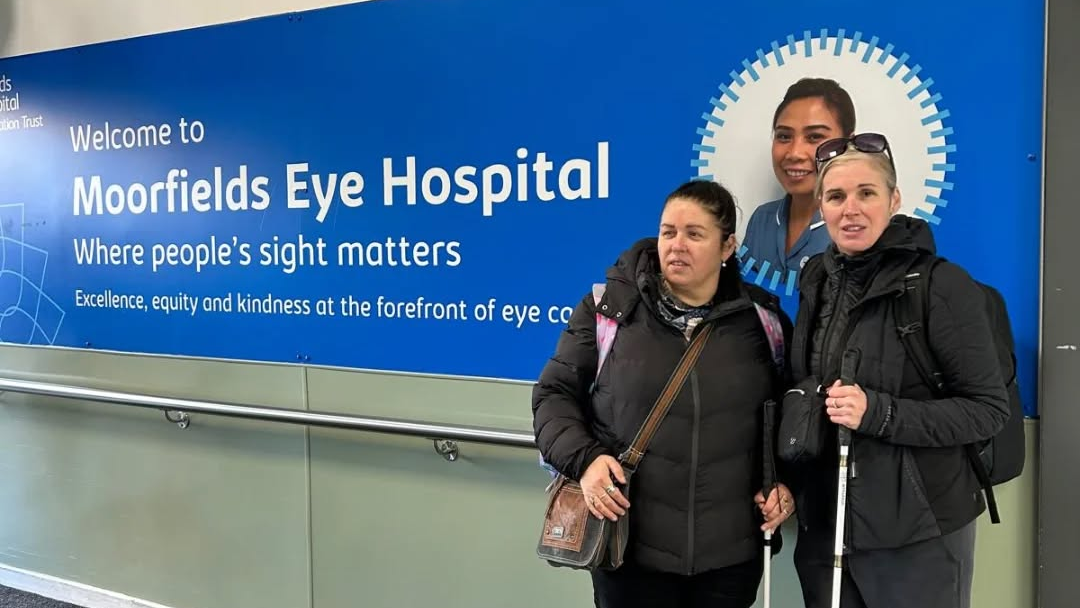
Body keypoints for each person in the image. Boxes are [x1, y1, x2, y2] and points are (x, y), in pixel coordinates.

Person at [531, 179, 796, 608]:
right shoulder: (609, 309)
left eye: (694, 234)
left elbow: (791, 417)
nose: (676, 245)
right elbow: (553, 395)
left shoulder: (763, 323)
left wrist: (785, 483)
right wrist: (586, 460)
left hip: (729, 558)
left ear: (727, 247)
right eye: (668, 231)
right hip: (631, 553)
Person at [785, 133, 1009, 608]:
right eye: (836, 196)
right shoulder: (816, 284)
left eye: (866, 193)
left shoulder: (940, 285)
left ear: (895, 199)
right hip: (827, 526)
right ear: (821, 207)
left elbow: (987, 411)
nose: (851, 209)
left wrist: (880, 414)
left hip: (919, 532)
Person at [743, 78, 855, 310]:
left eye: (814, 137)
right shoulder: (762, 219)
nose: (794, 153)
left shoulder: (858, 226)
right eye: (784, 136)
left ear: (848, 143)